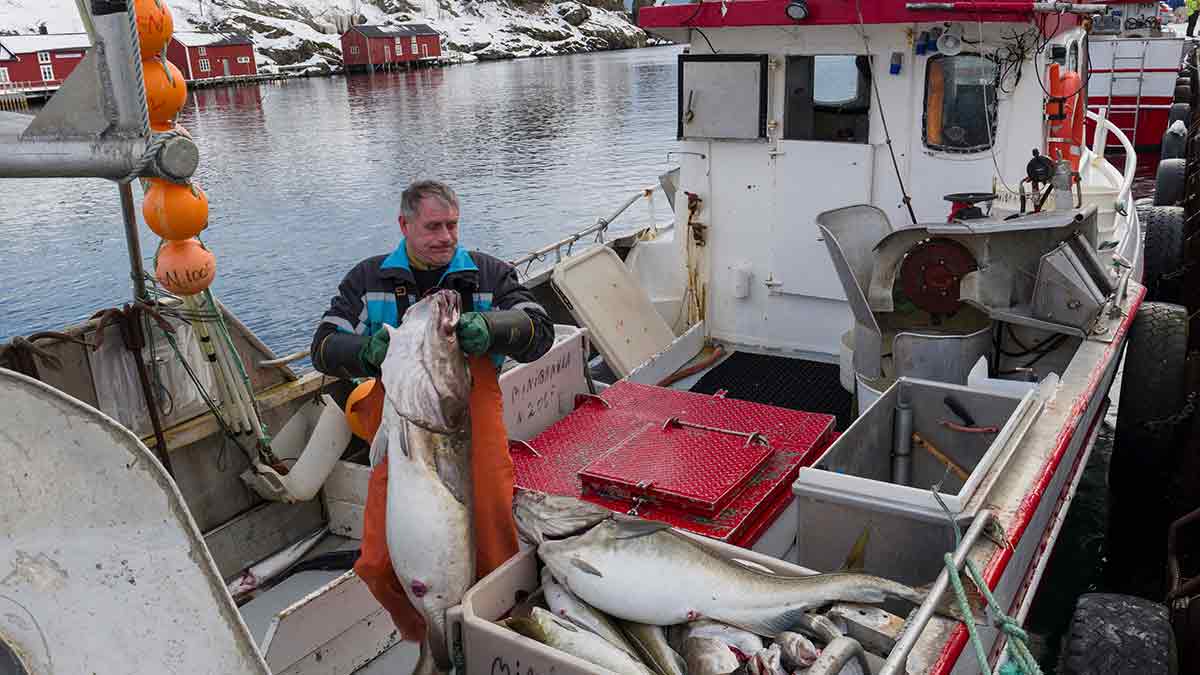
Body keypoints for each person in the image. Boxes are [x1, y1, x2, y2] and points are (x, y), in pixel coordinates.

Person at [310, 179, 554, 641]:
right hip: (400, 424)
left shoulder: (488, 274)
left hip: (470, 420)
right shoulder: (368, 280)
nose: (446, 236)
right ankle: (430, 638)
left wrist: (494, 328)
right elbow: (322, 346)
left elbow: (539, 329)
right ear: (404, 225)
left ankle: (495, 634)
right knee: (377, 564)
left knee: (494, 540)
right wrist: (365, 351)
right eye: (433, 226)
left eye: (453, 225)